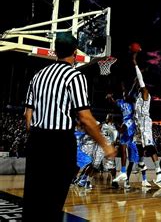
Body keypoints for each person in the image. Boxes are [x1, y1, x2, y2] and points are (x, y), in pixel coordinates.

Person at [23, 32, 115, 221]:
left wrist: (36, 135)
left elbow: (27, 114)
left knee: (33, 196)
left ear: (55, 51)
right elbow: (86, 117)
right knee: (53, 199)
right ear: (75, 52)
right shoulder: (74, 76)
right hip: (59, 142)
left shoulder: (38, 76)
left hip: (36, 140)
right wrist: (105, 144)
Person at [131, 53, 161, 186]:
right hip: (138, 123)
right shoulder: (137, 96)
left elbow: (140, 80)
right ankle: (141, 164)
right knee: (138, 144)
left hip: (145, 122)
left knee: (149, 146)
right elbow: (131, 89)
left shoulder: (145, 93)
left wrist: (135, 63)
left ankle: (159, 171)